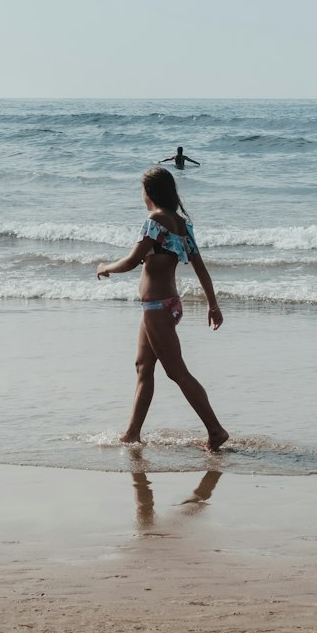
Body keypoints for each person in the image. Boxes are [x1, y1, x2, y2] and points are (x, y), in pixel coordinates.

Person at [96, 166, 228, 452]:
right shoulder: (181, 223)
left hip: (157, 307)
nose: (141, 195)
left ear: (149, 192)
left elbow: (132, 261)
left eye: (142, 190)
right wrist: (213, 305)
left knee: (177, 372)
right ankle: (132, 433)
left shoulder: (154, 220)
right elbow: (201, 268)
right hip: (165, 305)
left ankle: (216, 431)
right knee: (143, 367)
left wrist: (106, 267)